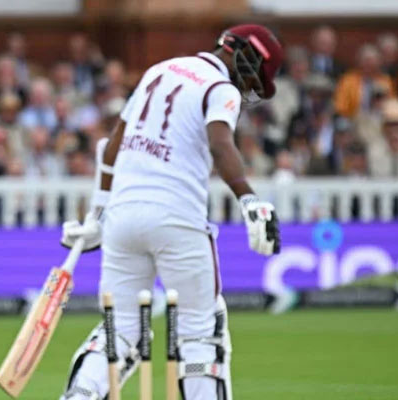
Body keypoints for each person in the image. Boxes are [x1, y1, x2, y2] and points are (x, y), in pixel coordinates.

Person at [59, 24, 283, 400]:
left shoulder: (159, 70)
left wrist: (97, 215)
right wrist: (248, 197)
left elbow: (112, 146)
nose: (250, 88)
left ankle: (79, 396)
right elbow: (220, 144)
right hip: (177, 217)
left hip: (123, 218)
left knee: (121, 329)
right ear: (244, 54)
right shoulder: (220, 87)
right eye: (256, 76)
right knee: (200, 331)